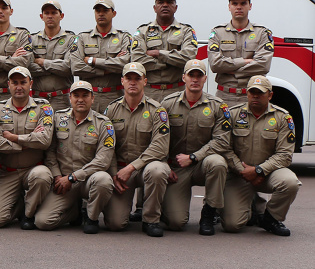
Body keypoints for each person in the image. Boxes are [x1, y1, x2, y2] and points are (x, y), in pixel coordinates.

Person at [160, 60, 231, 235]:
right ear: (184, 77)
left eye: (199, 75)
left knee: (218, 162)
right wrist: (164, 165)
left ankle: (209, 213)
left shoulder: (218, 106)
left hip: (202, 164)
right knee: (175, 223)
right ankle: (166, 208)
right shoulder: (168, 104)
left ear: (205, 78)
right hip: (176, 167)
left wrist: (194, 157)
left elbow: (221, 141)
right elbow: (158, 139)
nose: (195, 79)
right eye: (191, 75)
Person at [222, 75, 299, 236]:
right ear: (247, 93)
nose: (255, 96)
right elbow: (225, 149)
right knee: (232, 225)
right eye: (252, 92)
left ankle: (270, 218)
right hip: (239, 175)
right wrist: (244, 171)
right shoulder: (233, 115)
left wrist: (258, 170)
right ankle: (252, 208)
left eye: (260, 93)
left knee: (290, 182)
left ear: (270, 95)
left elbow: (285, 155)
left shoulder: (283, 117)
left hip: (268, 173)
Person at [103, 62, 170, 237]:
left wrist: (132, 167)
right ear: (122, 81)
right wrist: (112, 173)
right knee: (115, 224)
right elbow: (106, 146)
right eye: (129, 78)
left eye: (137, 79)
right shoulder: (111, 110)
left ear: (145, 81)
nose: (133, 82)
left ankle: (151, 220)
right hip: (120, 171)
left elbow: (160, 147)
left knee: (158, 170)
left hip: (144, 169)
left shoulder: (157, 111)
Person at [41, 80, 116, 234]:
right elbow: (50, 151)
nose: (80, 99)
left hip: (89, 180)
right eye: (76, 95)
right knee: (43, 221)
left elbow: (103, 160)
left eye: (85, 95)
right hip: (63, 181)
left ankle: (91, 218)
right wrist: (56, 176)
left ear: (93, 98)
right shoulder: (58, 119)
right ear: (70, 98)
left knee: (104, 179)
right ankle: (74, 212)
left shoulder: (103, 124)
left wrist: (73, 177)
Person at [0, 67, 54, 229]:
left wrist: (13, 138)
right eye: (14, 82)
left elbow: (44, 140)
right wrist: (27, 143)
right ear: (8, 84)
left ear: (31, 83)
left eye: (23, 82)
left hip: (33, 169)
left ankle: (28, 214)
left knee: (42, 175)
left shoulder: (43, 107)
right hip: (7, 172)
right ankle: (18, 203)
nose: (19, 86)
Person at [208, 0, 274, 107]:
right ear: (229, 7)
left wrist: (229, 68)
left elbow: (263, 66)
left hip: (251, 97)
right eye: (235, 3)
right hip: (224, 96)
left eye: (243, 3)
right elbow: (215, 65)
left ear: (250, 6)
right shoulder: (217, 32)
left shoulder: (262, 33)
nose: (239, 7)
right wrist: (246, 61)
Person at [131, 0, 198, 103]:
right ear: (155, 8)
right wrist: (172, 61)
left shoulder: (186, 31)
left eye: (169, 2)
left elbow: (189, 58)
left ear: (175, 7)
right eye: (161, 2)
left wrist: (158, 54)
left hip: (177, 92)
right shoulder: (143, 31)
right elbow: (137, 60)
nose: (165, 5)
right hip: (149, 93)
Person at [70, 0, 133, 112]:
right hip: (88, 96)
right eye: (98, 11)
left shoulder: (123, 37)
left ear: (113, 13)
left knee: (114, 129)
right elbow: (75, 67)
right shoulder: (83, 37)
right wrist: (106, 70)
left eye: (105, 10)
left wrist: (93, 61)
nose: (101, 14)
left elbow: (124, 64)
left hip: (115, 95)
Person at [28, 0, 76, 112]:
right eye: (47, 13)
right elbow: (28, 67)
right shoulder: (32, 39)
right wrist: (56, 67)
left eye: (54, 13)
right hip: (37, 99)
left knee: (62, 129)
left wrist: (42, 62)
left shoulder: (71, 39)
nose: (50, 16)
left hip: (62, 99)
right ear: (41, 16)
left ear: (61, 16)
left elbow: (68, 67)